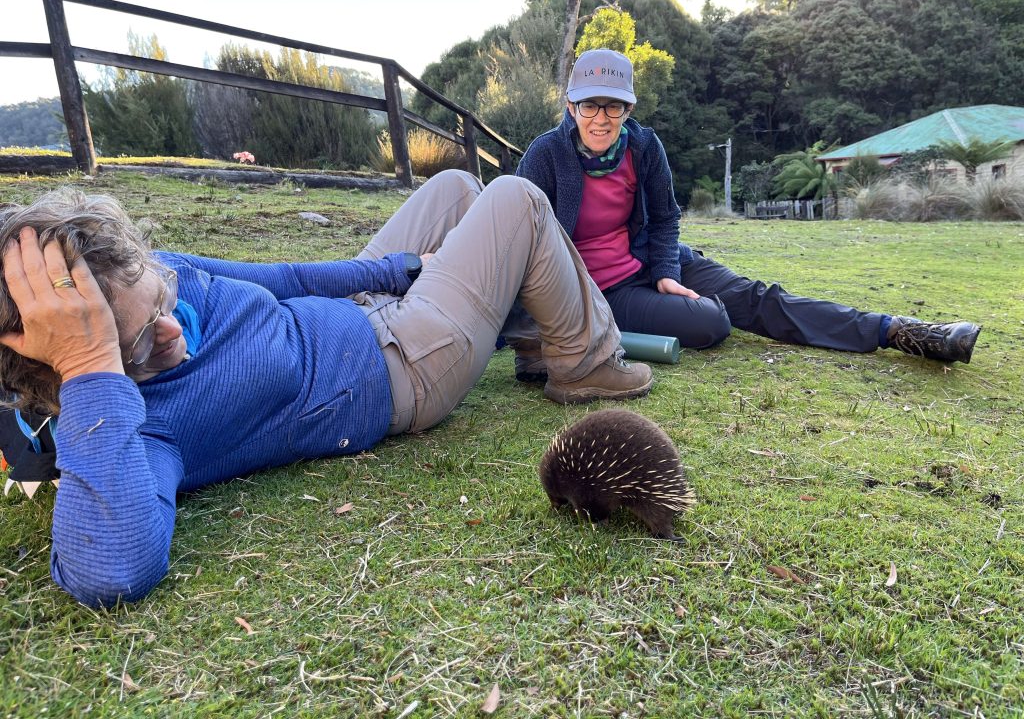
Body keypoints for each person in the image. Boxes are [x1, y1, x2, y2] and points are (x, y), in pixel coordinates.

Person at [0, 171, 652, 608]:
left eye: (160, 298)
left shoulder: (156, 279)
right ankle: (583, 360)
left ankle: (522, 315)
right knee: (515, 199)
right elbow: (111, 568)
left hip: (359, 310)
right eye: (140, 345)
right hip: (407, 360)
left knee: (455, 187)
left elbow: (284, 277)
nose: (173, 329)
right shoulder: (141, 429)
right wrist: (94, 368)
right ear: (72, 369)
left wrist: (400, 268)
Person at [508, 48, 981, 380]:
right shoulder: (546, 155)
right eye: (590, 105)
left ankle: (897, 331)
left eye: (613, 107)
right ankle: (601, 330)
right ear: (571, 106)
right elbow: (523, 237)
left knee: (757, 296)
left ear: (628, 108)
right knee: (711, 325)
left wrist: (668, 271)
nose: (600, 118)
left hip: (653, 259)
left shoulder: (645, 147)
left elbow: (666, 218)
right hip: (601, 288)